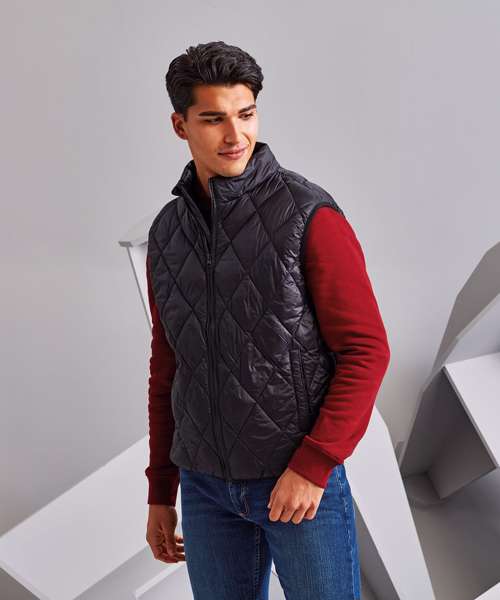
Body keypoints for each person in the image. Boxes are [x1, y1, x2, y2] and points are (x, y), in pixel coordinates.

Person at [144, 40, 390, 600]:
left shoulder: (308, 215)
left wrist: (314, 465)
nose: (235, 135)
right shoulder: (168, 233)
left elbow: (366, 350)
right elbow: (168, 368)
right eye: (214, 119)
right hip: (205, 490)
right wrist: (161, 489)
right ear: (180, 126)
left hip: (296, 484)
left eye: (246, 114)